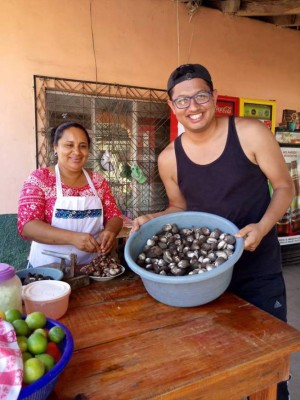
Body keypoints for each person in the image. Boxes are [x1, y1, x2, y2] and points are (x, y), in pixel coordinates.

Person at [132, 64, 294, 400]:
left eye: (200, 96)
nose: (193, 106)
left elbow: (284, 186)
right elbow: (180, 209)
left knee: (268, 369)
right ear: (172, 106)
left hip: (257, 272)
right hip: (202, 281)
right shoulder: (168, 158)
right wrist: (153, 218)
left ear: (215, 97)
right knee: (218, 369)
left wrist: (263, 227)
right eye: (182, 100)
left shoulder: (250, 133)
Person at [18, 121, 123, 268]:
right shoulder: (40, 179)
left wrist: (110, 231)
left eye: (83, 146)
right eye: (69, 145)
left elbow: (115, 216)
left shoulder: (98, 181)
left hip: (92, 266)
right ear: (55, 147)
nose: (77, 152)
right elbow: (27, 226)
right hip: (48, 267)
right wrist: (73, 238)